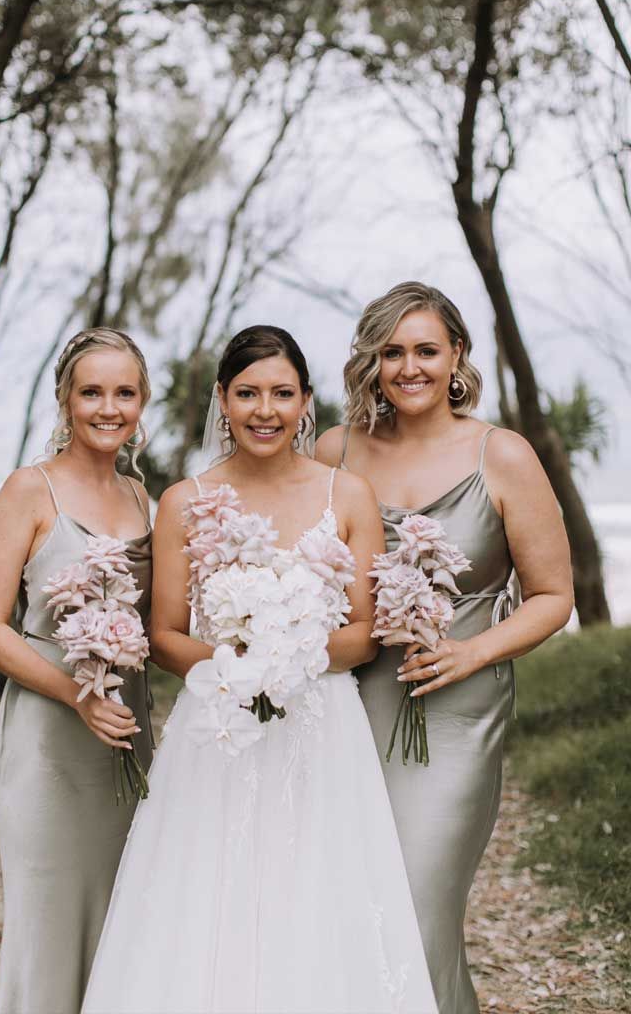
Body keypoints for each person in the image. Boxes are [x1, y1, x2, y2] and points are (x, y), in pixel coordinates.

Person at [82, 325, 437, 1014]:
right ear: (222, 399)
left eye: (281, 393)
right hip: (217, 729)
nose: (264, 410)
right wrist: (236, 662)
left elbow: (363, 635)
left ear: (307, 402)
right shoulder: (185, 500)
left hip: (321, 727)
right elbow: (163, 635)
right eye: (247, 393)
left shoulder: (349, 494)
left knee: (315, 895)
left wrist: (293, 653)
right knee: (207, 896)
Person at [316, 282, 574, 1014]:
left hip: (458, 707)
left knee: (418, 907)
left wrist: (474, 652)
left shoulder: (505, 454)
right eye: (391, 351)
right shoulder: (336, 450)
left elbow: (555, 596)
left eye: (426, 349)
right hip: (349, 702)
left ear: (457, 354)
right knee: (349, 905)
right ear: (371, 359)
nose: (409, 367)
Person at [0, 327, 155, 1014]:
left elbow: (158, 629)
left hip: (126, 738)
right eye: (92, 392)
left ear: (143, 401)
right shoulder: (28, 490)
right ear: (65, 400)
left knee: (117, 919)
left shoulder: (143, 499)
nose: (109, 408)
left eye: (124, 392)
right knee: (48, 926)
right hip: (48, 740)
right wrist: (77, 695)